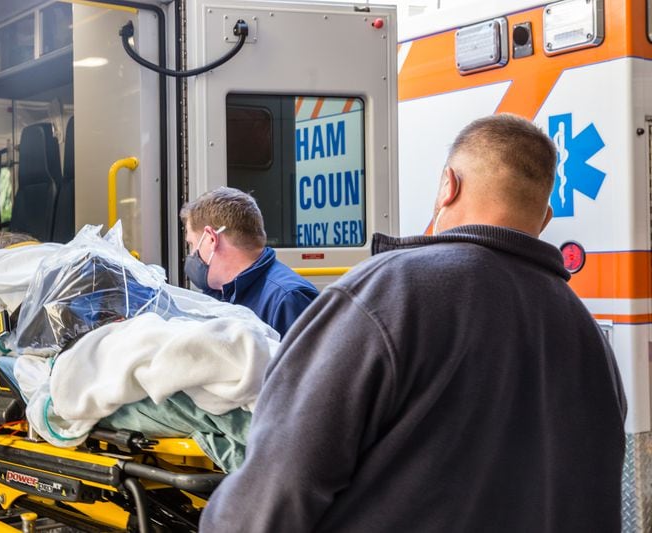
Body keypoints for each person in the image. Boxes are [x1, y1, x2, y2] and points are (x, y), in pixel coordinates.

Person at [200, 114, 627, 532]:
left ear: (449, 185)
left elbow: (279, 483)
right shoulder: (589, 337)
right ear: (545, 217)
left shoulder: (391, 290)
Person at [180, 187, 318, 337]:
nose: (192, 254)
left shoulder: (289, 299)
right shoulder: (220, 292)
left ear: (212, 239)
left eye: (192, 244)